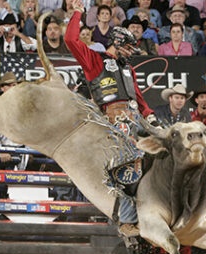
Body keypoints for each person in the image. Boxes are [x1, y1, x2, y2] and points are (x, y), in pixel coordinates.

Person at [65, 0, 157, 237]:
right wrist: (77, 13)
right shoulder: (95, 60)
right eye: (127, 47)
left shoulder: (128, 69)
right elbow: (71, 41)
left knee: (157, 157)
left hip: (134, 117)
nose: (130, 52)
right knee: (128, 166)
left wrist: (153, 120)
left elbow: (139, 98)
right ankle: (127, 220)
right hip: (111, 119)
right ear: (116, 43)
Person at [0, 72, 29, 171]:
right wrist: (0, 151)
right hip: (2, 150)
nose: (13, 88)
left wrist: (29, 151)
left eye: (14, 85)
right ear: (2, 88)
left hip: (21, 151)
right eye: (9, 85)